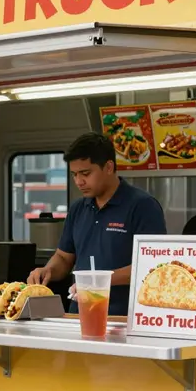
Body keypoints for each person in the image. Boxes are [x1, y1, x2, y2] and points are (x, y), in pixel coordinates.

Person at [28, 133, 167, 317]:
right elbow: (63, 257)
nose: (79, 181)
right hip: (79, 315)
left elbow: (153, 266)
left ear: (109, 167)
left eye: (85, 174)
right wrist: (48, 270)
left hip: (124, 318)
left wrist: (99, 281)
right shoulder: (79, 208)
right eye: (74, 174)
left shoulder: (142, 206)